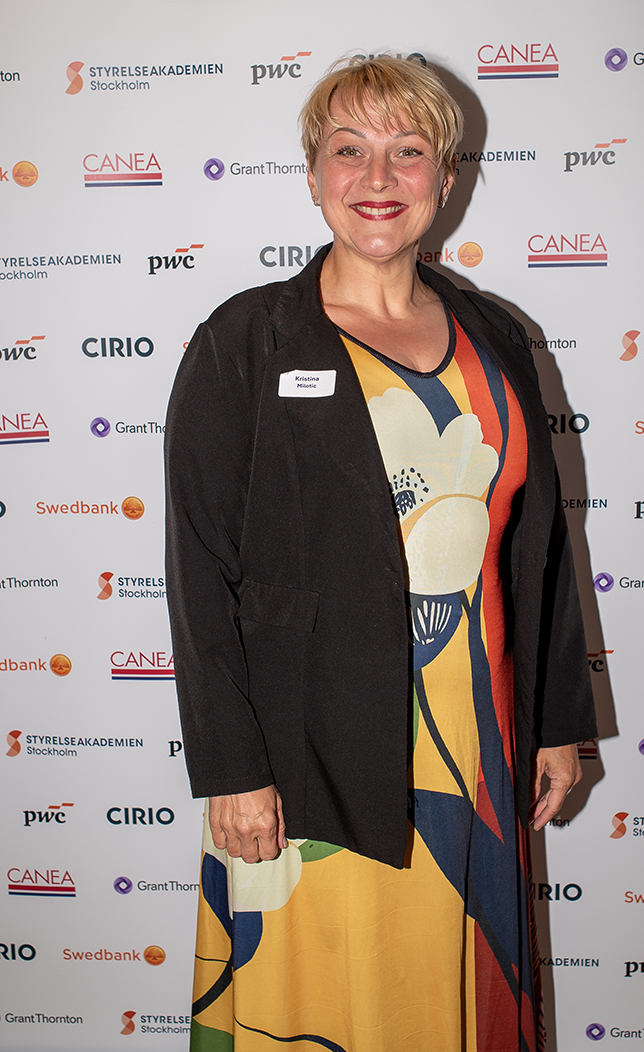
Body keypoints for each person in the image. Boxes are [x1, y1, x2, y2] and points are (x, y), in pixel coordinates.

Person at [165, 55, 597, 1052]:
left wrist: (553, 720)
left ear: (445, 177)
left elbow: (534, 543)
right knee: (323, 1002)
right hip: (304, 759)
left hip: (472, 743)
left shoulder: (496, 334)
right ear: (313, 172)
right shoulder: (247, 339)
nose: (377, 177)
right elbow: (198, 567)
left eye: (408, 152)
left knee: (452, 984)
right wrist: (232, 769)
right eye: (349, 149)